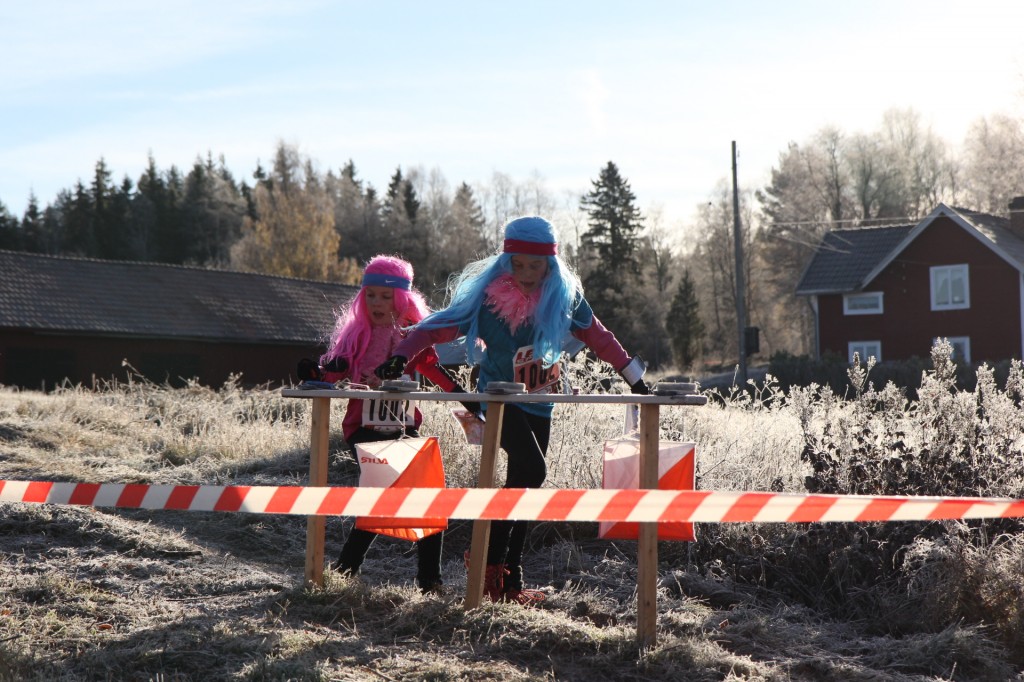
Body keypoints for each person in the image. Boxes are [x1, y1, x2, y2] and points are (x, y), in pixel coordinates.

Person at [374, 216, 649, 605]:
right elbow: (436, 328)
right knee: (533, 470)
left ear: (550, 264)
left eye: (535, 265)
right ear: (507, 261)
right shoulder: (488, 295)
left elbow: (598, 336)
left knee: (527, 485)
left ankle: (509, 582)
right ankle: (485, 560)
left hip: (540, 401)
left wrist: (632, 376)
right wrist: (400, 357)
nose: (525, 273)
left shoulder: (563, 294)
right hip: (499, 399)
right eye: (517, 264)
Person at [299, 254, 459, 594]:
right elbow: (334, 371)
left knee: (428, 496)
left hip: (405, 427)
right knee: (383, 490)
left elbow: (433, 370)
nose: (377, 303)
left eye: (386, 297)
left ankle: (428, 579)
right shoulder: (357, 335)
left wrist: (464, 396)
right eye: (370, 295)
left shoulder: (413, 337)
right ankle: (348, 570)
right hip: (364, 426)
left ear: (402, 300)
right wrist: (317, 373)